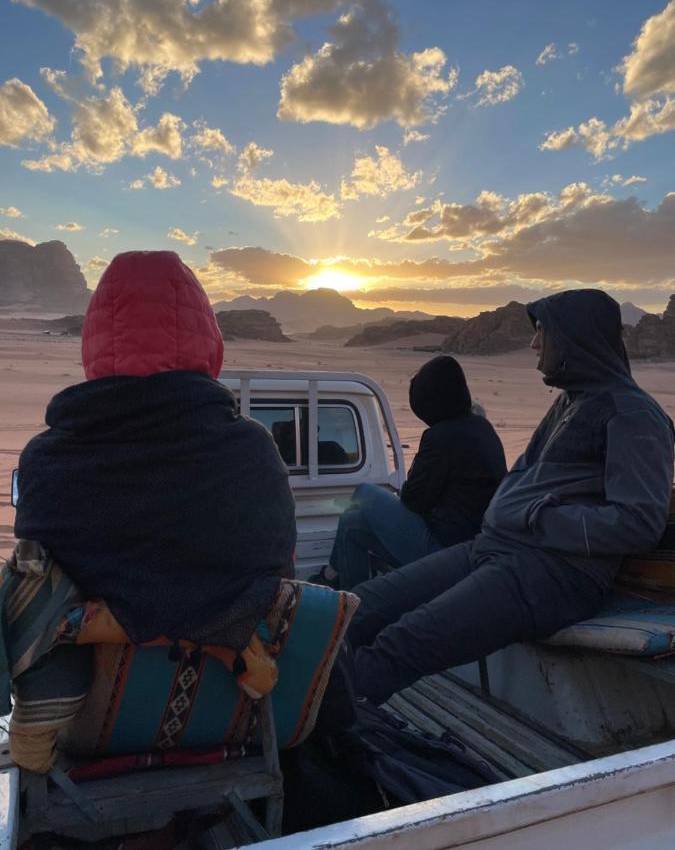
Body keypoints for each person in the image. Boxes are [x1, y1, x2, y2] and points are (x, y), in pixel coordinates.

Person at [348, 289, 675, 705]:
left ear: (575, 338)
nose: (534, 344)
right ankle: (299, 699)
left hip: (553, 574)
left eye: (543, 332)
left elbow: (639, 522)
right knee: (361, 607)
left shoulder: (632, 415)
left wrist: (538, 517)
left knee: (402, 643)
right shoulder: (572, 403)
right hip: (495, 549)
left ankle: (310, 730)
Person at [13, 250, 296, 653]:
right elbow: (280, 573)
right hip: (231, 699)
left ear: (94, 342)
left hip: (88, 701)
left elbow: (37, 581)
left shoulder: (44, 461)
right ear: (208, 337)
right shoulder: (251, 450)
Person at [314, 355, 507, 590]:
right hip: (470, 546)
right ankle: (352, 601)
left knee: (364, 492)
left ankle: (332, 578)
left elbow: (413, 499)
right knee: (352, 523)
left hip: (443, 551)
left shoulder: (442, 436)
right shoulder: (480, 427)